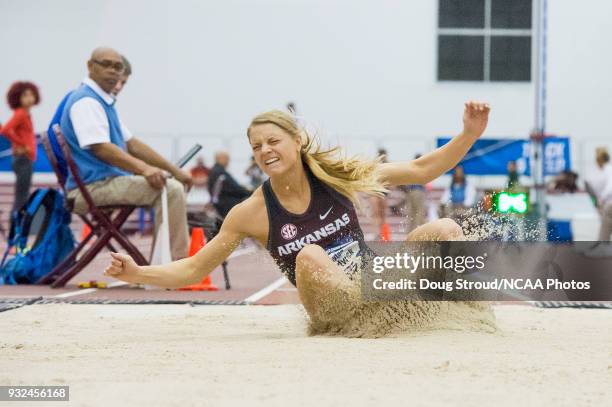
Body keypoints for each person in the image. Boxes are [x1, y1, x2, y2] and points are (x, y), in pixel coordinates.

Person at [105, 101, 491, 332]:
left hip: (377, 290)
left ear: (297, 141)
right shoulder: (250, 212)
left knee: (444, 228)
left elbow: (421, 170)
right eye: (257, 146)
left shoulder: (335, 176)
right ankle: (378, 316)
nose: (265, 151)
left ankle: (456, 310)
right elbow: (193, 269)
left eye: (273, 141)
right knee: (310, 255)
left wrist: (469, 135)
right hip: (335, 311)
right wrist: (136, 273)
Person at [60, 47, 192, 260]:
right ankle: (176, 267)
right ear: (90, 66)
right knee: (171, 190)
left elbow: (133, 144)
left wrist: (175, 170)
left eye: (118, 67)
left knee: (170, 184)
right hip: (92, 188)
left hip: (104, 183)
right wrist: (145, 169)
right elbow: (101, 147)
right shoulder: (86, 102)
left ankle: (165, 265)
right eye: (106, 64)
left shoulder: (103, 101)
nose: (113, 71)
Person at [0, 81, 41, 222]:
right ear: (18, 98)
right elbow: (5, 130)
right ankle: (16, 231)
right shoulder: (21, 114)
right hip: (22, 158)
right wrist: (21, 144)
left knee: (23, 195)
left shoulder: (26, 114)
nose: (29, 98)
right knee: (22, 197)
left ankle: (17, 229)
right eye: (25, 95)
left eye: (31, 94)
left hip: (26, 158)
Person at [208, 151, 251, 218]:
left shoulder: (216, 171)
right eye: (227, 159)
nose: (228, 161)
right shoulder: (219, 173)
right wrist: (250, 193)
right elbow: (234, 187)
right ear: (220, 159)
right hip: (226, 204)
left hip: (221, 203)